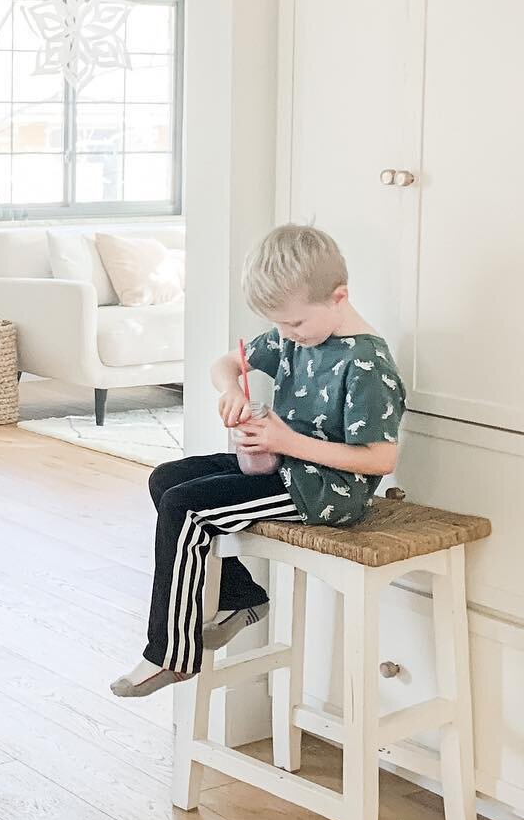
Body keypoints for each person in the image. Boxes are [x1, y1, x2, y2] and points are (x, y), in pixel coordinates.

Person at [110, 224, 405, 698]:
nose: (288, 335)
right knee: (167, 478)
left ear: (339, 297)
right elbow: (226, 363)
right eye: (282, 326)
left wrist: (286, 442)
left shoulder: (367, 364)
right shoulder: (297, 334)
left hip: (327, 490)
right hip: (282, 466)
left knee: (187, 507)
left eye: (295, 324)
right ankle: (241, 595)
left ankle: (170, 653)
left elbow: (379, 458)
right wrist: (230, 391)